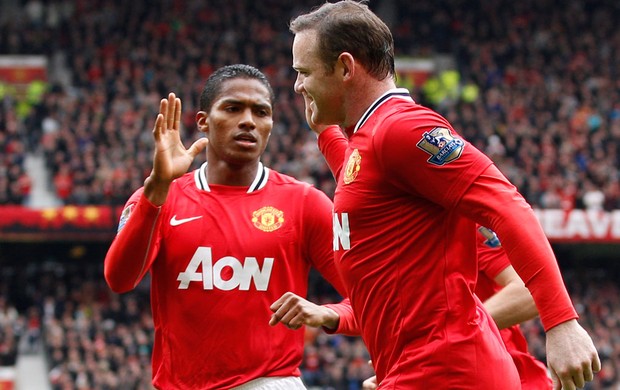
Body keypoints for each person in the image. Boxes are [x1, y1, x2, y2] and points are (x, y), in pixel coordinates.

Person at [287, 1, 600, 388]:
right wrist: (323, 131)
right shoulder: (368, 140)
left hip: (447, 367)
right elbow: (364, 189)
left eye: (304, 72)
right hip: (419, 367)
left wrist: (561, 322)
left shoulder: (401, 129)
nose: (298, 85)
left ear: (345, 67)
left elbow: (505, 203)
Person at [103, 64, 347, 390]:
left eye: (261, 112)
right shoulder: (162, 196)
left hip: (268, 382)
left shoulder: (306, 204)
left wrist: (329, 314)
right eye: (233, 108)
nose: (248, 120)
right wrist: (156, 189)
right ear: (203, 121)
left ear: (270, 125)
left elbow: (374, 295)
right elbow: (119, 279)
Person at [271, 226, 554, 390]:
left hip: (506, 376)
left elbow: (529, 291)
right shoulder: (391, 237)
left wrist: (444, 334)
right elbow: (395, 307)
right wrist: (331, 313)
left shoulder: (462, 222)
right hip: (430, 373)